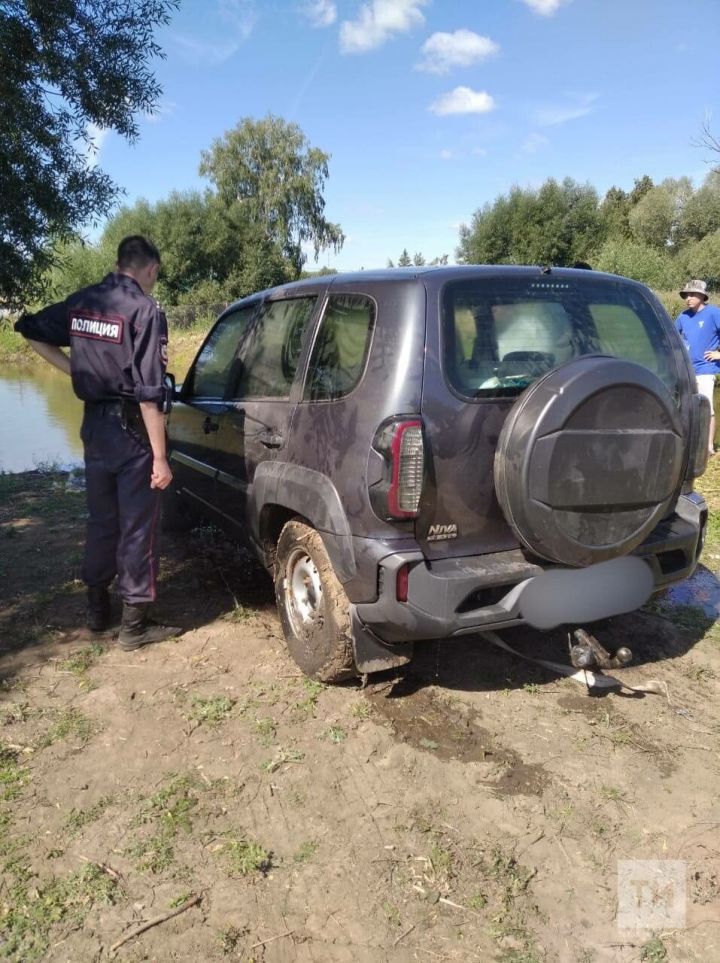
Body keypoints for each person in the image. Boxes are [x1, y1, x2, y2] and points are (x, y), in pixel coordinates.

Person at [14, 235, 182, 649]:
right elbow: (148, 392)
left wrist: (76, 371)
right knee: (138, 527)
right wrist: (160, 457)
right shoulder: (144, 310)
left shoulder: (85, 300)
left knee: (102, 520)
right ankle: (134, 628)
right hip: (132, 434)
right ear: (151, 269)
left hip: (94, 430)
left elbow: (30, 329)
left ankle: (96, 610)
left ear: (118, 262)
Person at [675, 278, 720, 455]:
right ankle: (689, 443)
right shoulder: (683, 316)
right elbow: (671, 336)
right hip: (686, 370)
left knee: (707, 408)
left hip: (706, 370)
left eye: (692, 295)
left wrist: (719, 354)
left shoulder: (713, 313)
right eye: (686, 295)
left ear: (702, 297)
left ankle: (708, 447)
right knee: (686, 407)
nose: (688, 298)